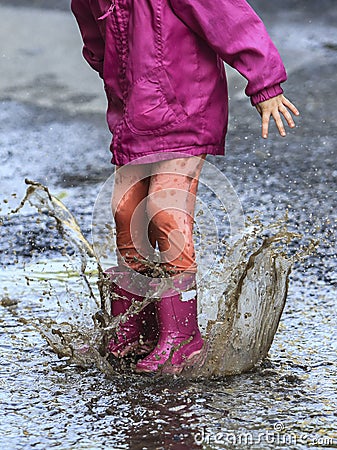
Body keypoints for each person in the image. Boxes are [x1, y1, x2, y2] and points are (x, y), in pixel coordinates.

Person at [71, 0, 299, 374]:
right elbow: (95, 38)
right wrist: (114, 70)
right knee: (126, 210)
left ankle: (183, 337)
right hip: (135, 110)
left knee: (165, 210)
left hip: (187, 103)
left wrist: (265, 81)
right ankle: (135, 326)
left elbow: (230, 18)